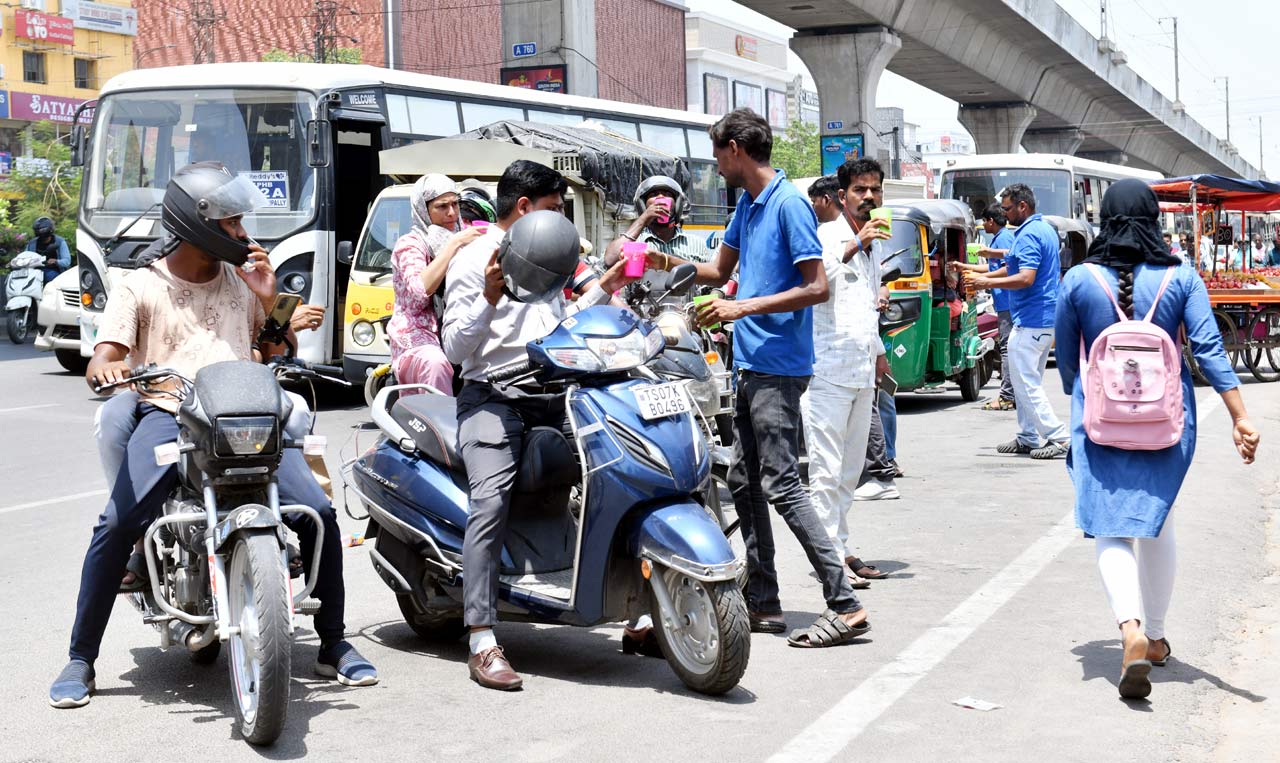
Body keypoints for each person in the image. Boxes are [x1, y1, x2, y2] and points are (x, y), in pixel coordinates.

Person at [50, 162, 376, 709]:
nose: (242, 231)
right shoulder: (140, 287)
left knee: (317, 513)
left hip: (247, 417)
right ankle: (81, 658)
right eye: (230, 223)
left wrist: (270, 300)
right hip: (172, 415)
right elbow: (103, 358)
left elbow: (272, 350)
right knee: (118, 521)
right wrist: (107, 370)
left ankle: (334, 642)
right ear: (196, 224)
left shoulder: (243, 283)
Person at [657, 108, 871, 648]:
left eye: (716, 152)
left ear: (735, 148)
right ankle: (764, 600)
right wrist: (654, 259)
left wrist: (741, 309)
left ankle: (844, 603)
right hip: (749, 363)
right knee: (743, 481)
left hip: (778, 365)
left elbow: (817, 286)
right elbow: (718, 273)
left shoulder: (788, 205)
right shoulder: (748, 206)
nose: (714, 164)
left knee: (779, 482)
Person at [441, 160, 644, 690]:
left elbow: (562, 323)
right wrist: (488, 300)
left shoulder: (549, 255)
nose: (562, 222)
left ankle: (641, 608)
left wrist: (607, 286)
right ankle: (482, 638)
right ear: (526, 210)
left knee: (621, 465)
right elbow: (455, 351)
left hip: (554, 394)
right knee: (489, 499)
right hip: (492, 398)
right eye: (554, 210)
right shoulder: (471, 265)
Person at [1054, 178, 1260, 700]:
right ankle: (1160, 636)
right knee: (1158, 519)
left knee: (1110, 528)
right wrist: (1240, 416)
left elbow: (1066, 357)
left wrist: (1085, 400)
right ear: (1153, 220)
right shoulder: (1183, 277)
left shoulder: (1078, 279)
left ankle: (1130, 631)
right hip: (1168, 423)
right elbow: (1210, 349)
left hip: (1099, 422)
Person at [801, 157, 895, 588]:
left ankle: (839, 545)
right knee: (824, 470)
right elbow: (820, 282)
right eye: (860, 189)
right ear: (843, 196)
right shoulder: (825, 236)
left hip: (860, 373)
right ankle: (831, 562)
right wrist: (856, 243)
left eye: (875, 189)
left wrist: (878, 355)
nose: (869, 197)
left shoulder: (873, 247)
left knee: (849, 472)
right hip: (826, 373)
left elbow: (866, 310)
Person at [965, 184, 1070, 460]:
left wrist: (984, 280)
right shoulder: (1041, 229)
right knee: (1027, 380)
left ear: (1023, 206)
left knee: (1025, 383)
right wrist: (991, 259)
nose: (1004, 213)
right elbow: (1015, 259)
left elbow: (1026, 277)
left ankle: (1058, 437)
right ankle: (1027, 436)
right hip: (1041, 317)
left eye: (1008, 208)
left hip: (1032, 319)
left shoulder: (1029, 233)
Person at [387, 174, 486, 396]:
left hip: (457, 328)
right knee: (436, 363)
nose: (451, 213)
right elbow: (421, 290)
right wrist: (454, 244)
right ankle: (441, 427)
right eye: (442, 207)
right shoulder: (410, 245)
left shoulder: (466, 236)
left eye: (455, 204)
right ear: (424, 209)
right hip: (419, 340)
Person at [954, 204, 1017, 411]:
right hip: (1003, 301)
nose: (983, 225)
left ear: (991, 221)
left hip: (1007, 300)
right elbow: (992, 268)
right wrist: (966, 267)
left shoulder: (1004, 239)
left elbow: (1008, 270)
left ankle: (1007, 395)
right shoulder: (999, 239)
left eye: (984, 221)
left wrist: (983, 280)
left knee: (1007, 348)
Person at [27, 216, 71, 284]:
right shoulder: (32, 243)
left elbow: (67, 261)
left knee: (49, 275)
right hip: (34, 271)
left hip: (53, 271)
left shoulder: (59, 242)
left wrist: (56, 261)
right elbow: (24, 256)